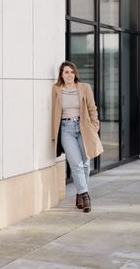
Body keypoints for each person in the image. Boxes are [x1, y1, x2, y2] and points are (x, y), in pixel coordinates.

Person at [51, 61, 103, 212]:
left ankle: (79, 194)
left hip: (84, 128)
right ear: (61, 75)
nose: (69, 75)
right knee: (76, 164)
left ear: (75, 74)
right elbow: (54, 112)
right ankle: (85, 196)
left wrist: (95, 126)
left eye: (72, 72)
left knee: (86, 164)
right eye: (66, 72)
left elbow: (92, 108)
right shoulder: (56, 89)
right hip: (66, 129)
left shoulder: (84, 87)